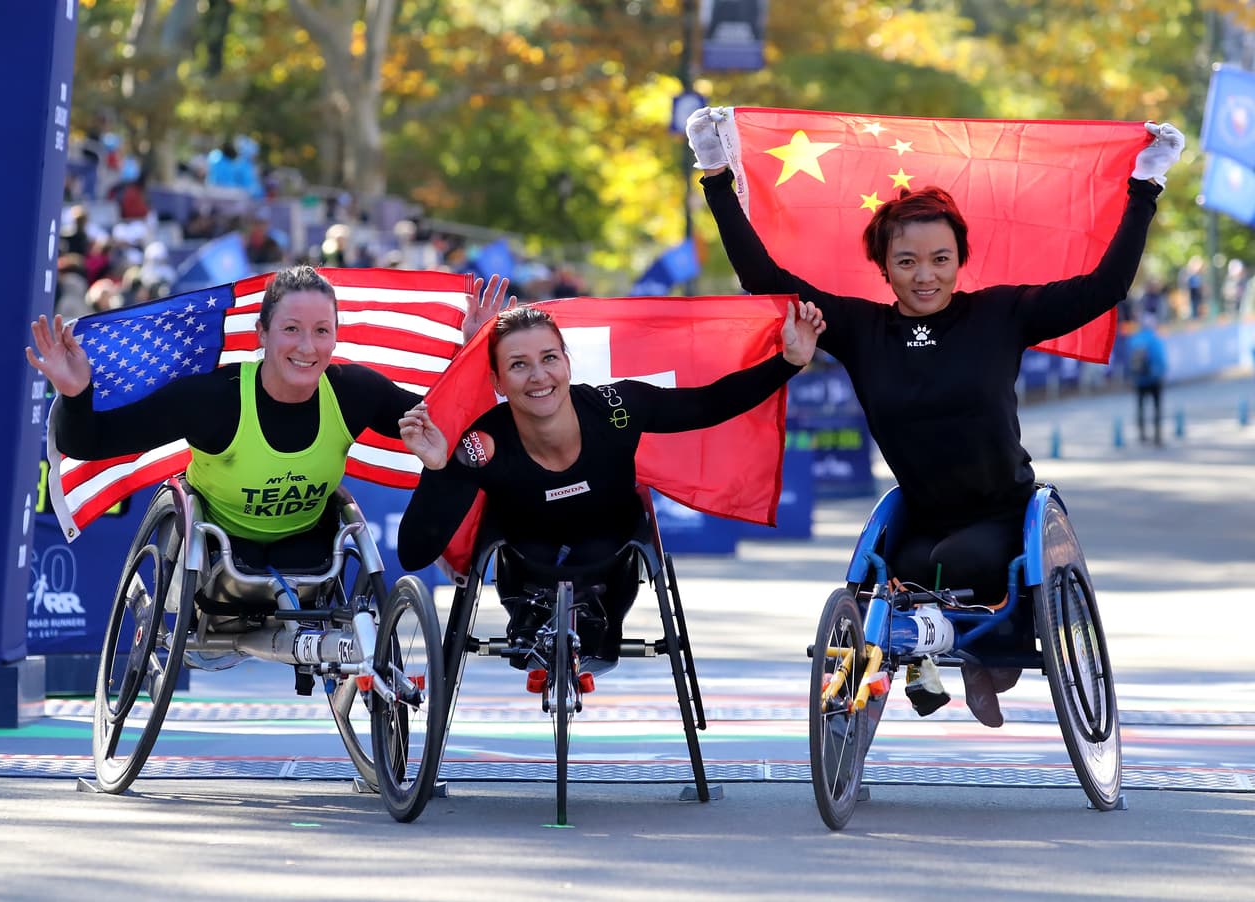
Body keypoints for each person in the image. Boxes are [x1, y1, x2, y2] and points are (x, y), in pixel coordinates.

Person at [686, 106, 1184, 726]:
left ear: (959, 259)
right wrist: (714, 176)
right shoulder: (863, 328)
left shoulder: (1002, 314)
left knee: (955, 566)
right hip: (919, 511)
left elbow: (1104, 287)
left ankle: (973, 658)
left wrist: (1145, 187)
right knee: (893, 578)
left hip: (1000, 510)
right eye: (908, 262)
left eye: (941, 259)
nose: (926, 276)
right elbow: (761, 276)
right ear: (884, 266)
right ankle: (927, 664)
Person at [394, 300, 824, 676]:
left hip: (610, 568)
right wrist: (437, 468)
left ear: (566, 361)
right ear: (497, 382)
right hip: (526, 573)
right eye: (518, 365)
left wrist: (788, 362)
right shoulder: (482, 441)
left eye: (549, 358)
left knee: (602, 549)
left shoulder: (615, 408)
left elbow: (709, 404)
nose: (538, 376)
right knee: (534, 552)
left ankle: (593, 627)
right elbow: (414, 552)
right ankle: (533, 625)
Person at [25, 265, 513, 575]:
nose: (307, 347)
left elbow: (446, 430)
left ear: (336, 338)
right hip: (217, 551)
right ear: (261, 334)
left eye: (322, 331)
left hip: (310, 547)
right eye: (291, 330)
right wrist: (75, 392)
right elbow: (92, 442)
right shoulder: (214, 399)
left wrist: (475, 357)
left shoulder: (353, 392)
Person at [1124, 314, 1168, 446]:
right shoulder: (1155, 339)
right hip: (1154, 379)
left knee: (1141, 407)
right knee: (1157, 407)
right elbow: (1161, 360)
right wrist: (1161, 374)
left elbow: (1128, 361)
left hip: (1139, 379)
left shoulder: (1134, 339)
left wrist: (1131, 377)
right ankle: (1157, 435)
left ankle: (1142, 434)